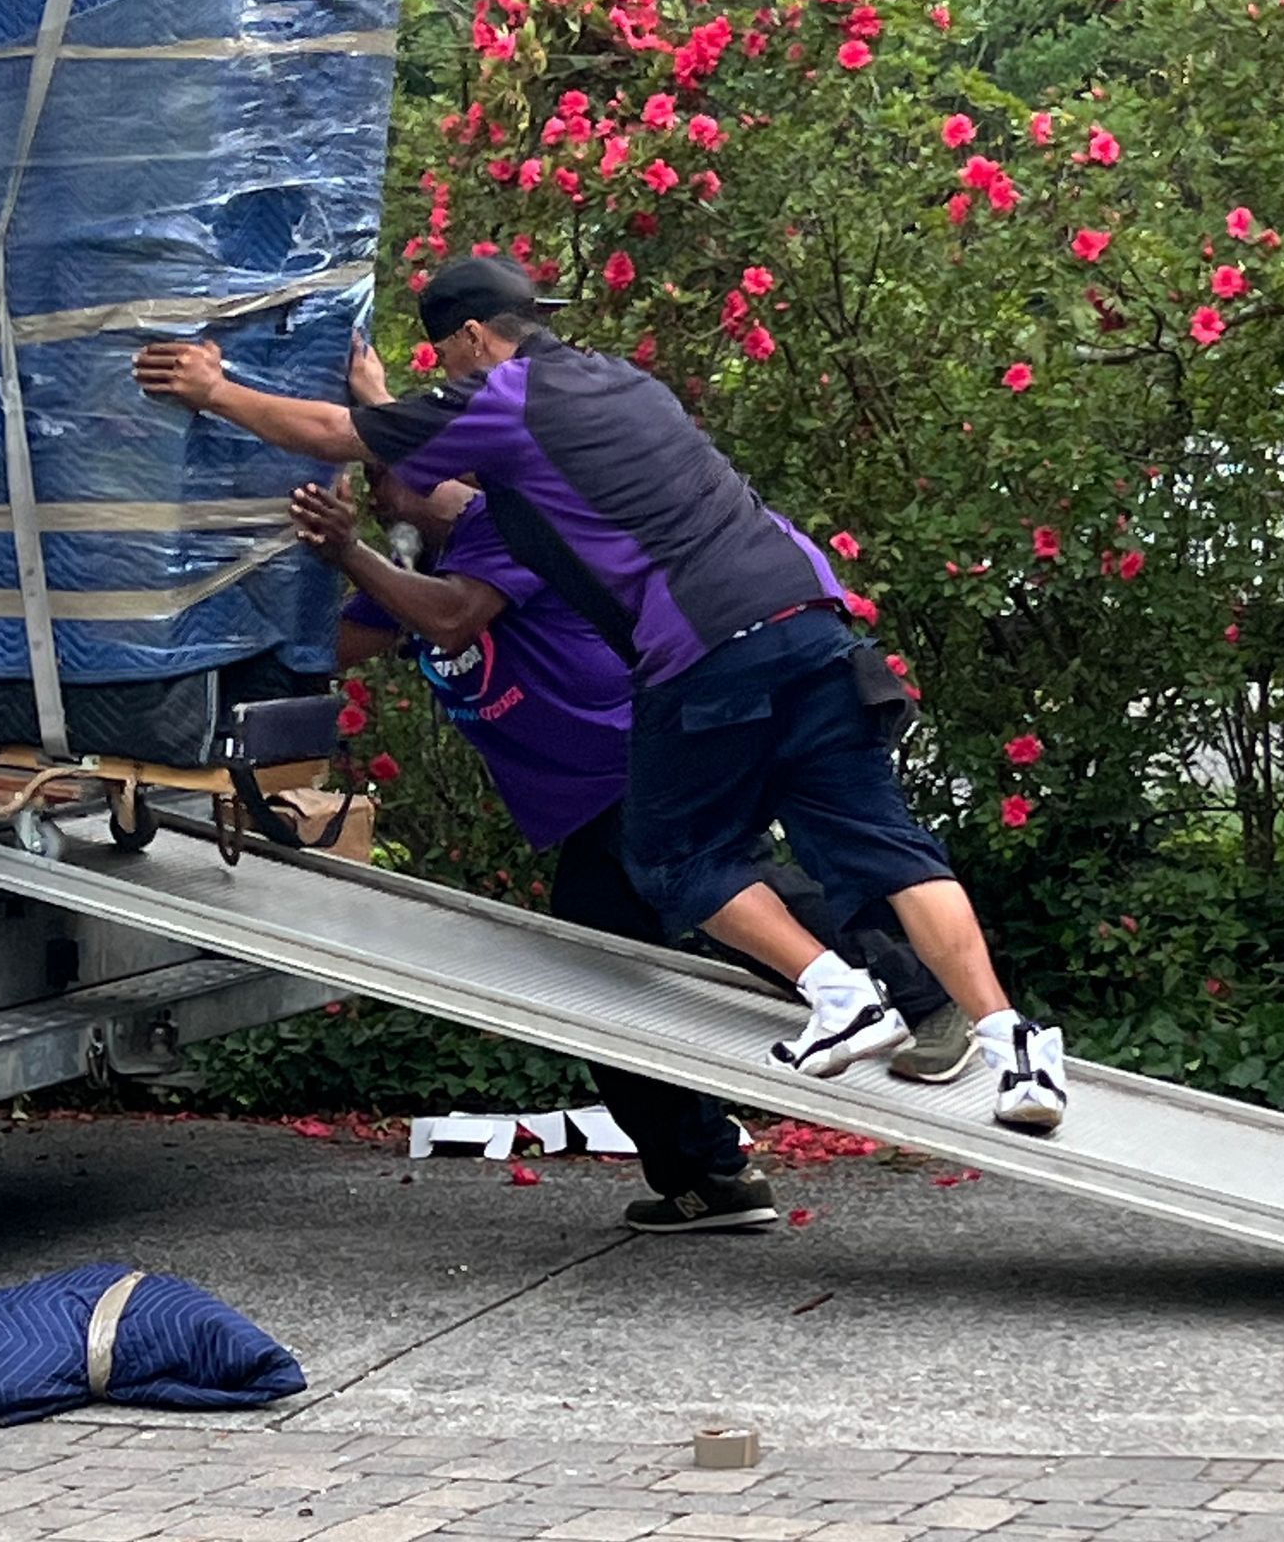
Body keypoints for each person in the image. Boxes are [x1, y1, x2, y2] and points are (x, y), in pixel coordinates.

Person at [133, 258, 1068, 1132]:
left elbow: (350, 443)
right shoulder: (621, 386)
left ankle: (838, 992)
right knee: (887, 846)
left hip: (707, 643)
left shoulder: (510, 401)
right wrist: (383, 414)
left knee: (667, 857)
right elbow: (435, 490)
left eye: (448, 362)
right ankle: (1013, 1043)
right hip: (812, 618)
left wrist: (215, 389)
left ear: (465, 341)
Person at [297, 451, 973, 1231]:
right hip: (589, 800)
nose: (377, 495)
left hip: (645, 752)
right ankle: (708, 1174)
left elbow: (453, 615)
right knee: (603, 974)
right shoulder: (411, 575)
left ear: (450, 469)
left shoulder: (503, 529)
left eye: (384, 476)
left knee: (714, 881)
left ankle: (923, 996)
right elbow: (329, 647)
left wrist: (349, 548)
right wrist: (301, 559)